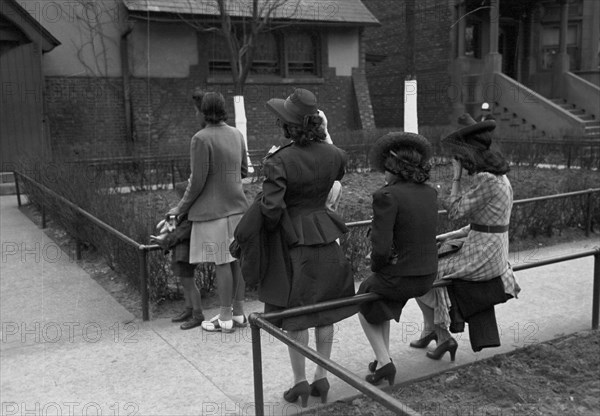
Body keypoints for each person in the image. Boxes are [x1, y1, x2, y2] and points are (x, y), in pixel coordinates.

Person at [241, 88, 355, 407]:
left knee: (299, 314)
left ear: (289, 127)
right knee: (325, 308)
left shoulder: (280, 160)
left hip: (295, 244)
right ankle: (322, 378)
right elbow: (333, 183)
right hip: (327, 238)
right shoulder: (337, 155)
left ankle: (300, 383)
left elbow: (272, 210)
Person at [414, 113, 520, 360]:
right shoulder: (499, 177)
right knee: (430, 263)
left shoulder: (485, 179)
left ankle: (442, 336)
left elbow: (455, 211)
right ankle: (433, 330)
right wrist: (444, 238)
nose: (457, 159)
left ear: (468, 153)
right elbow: (484, 223)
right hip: (490, 246)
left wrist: (456, 177)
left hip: (485, 253)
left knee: (426, 273)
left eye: (458, 156)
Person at [357, 132, 438, 387]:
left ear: (394, 169)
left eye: (385, 168)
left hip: (402, 277)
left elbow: (380, 249)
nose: (383, 174)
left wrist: (378, 268)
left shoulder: (387, 196)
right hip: (427, 275)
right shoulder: (429, 192)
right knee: (380, 301)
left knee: (363, 300)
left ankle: (385, 362)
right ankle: (383, 360)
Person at [167, 91, 250, 333]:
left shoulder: (200, 139)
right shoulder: (236, 134)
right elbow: (244, 170)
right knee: (236, 261)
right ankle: (238, 313)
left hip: (213, 212)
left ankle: (224, 318)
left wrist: (179, 208)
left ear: (203, 111)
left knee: (222, 262)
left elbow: (197, 182)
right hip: (237, 207)